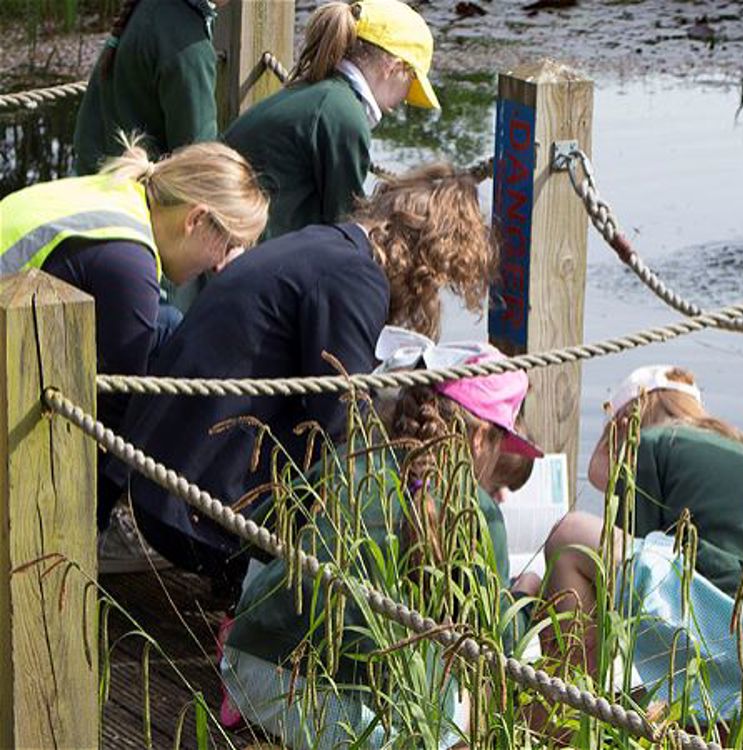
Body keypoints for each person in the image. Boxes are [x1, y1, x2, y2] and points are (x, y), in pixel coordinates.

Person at [108, 163, 494, 590]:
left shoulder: (322, 245)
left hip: (160, 486)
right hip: (192, 516)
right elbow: (341, 426)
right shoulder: (357, 278)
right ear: (426, 262)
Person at [219, 337, 542, 748]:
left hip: (252, 675)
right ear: (480, 439)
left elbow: (260, 535)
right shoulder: (476, 510)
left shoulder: (350, 459)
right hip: (361, 721)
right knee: (484, 696)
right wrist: (526, 592)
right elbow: (500, 643)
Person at [0, 136, 268, 538]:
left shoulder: (124, 194)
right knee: (139, 402)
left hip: (21, 323)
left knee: (169, 330)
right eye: (228, 244)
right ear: (195, 219)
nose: (220, 265)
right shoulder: (129, 263)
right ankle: (80, 535)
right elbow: (118, 409)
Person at [542, 365, 743, 724]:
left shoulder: (650, 443)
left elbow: (618, 601)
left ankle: (566, 721)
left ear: (624, 426)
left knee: (570, 539)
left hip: (737, 625)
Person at [224, 0, 440, 240]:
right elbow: (345, 233)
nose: (404, 100)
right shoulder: (343, 116)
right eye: (411, 86)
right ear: (394, 69)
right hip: (236, 258)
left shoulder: (318, 91)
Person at [73, 0, 225, 176]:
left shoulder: (155, 9)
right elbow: (198, 168)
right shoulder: (187, 46)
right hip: (126, 192)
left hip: (94, 180)